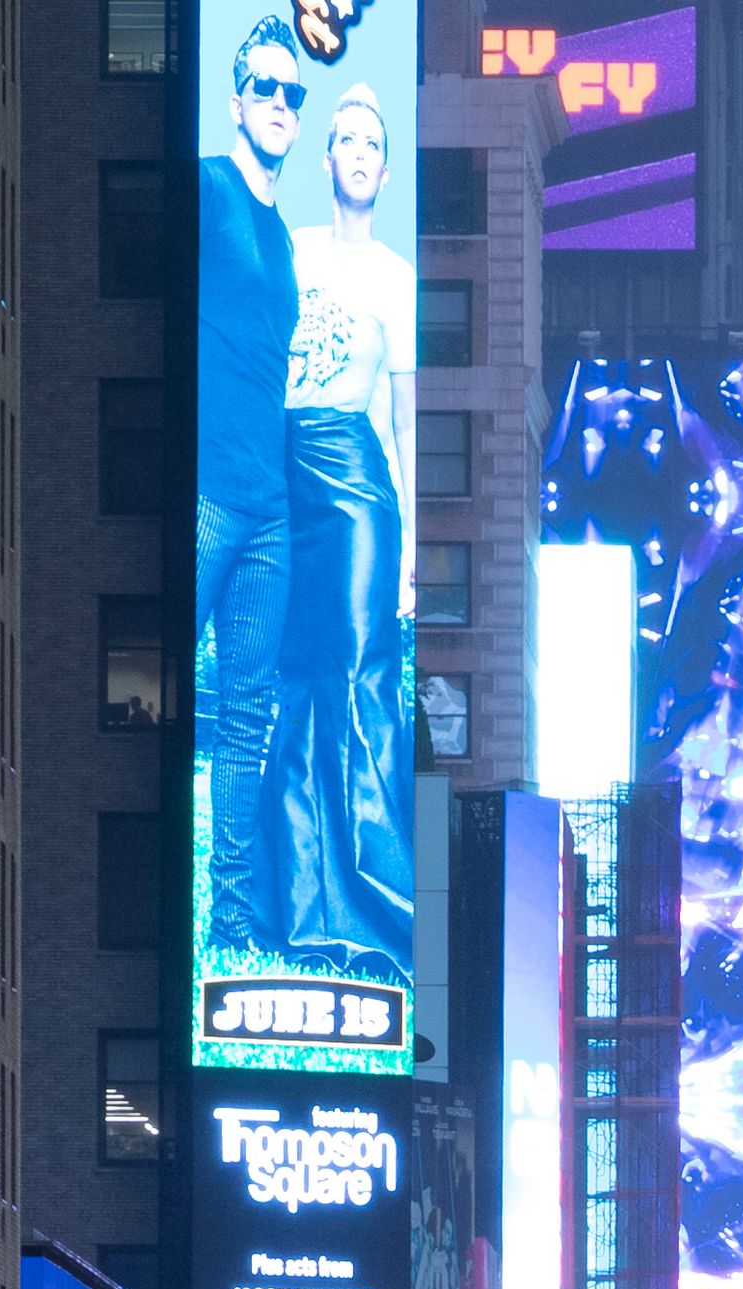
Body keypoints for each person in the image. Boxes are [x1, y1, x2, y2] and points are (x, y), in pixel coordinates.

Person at [267, 81, 422, 973]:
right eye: (348, 140)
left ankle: (377, 904)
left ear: (386, 172)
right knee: (294, 682)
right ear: (325, 158)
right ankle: (301, 910)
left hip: (359, 489)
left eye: (373, 144)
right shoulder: (289, 248)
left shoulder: (397, 278)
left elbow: (402, 424)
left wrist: (411, 555)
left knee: (361, 680)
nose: (360, 154)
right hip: (283, 475)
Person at [189, 8, 313, 984]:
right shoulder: (205, 188)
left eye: (291, 91)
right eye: (264, 87)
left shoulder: (279, 232)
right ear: (237, 101)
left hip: (269, 508)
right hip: (205, 493)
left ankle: (230, 924)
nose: (278, 101)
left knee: (246, 719)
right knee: (160, 693)